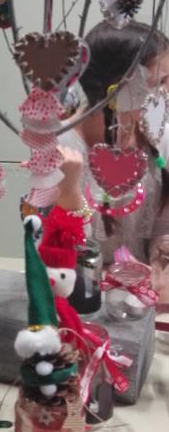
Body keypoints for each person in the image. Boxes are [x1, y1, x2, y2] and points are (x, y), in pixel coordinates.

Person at [56, 20, 169, 299]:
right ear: (118, 87)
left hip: (142, 298)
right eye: (159, 82)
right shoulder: (62, 148)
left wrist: (159, 264)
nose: (166, 91)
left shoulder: (159, 135)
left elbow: (162, 223)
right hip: (81, 295)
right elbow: (53, 247)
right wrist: (69, 192)